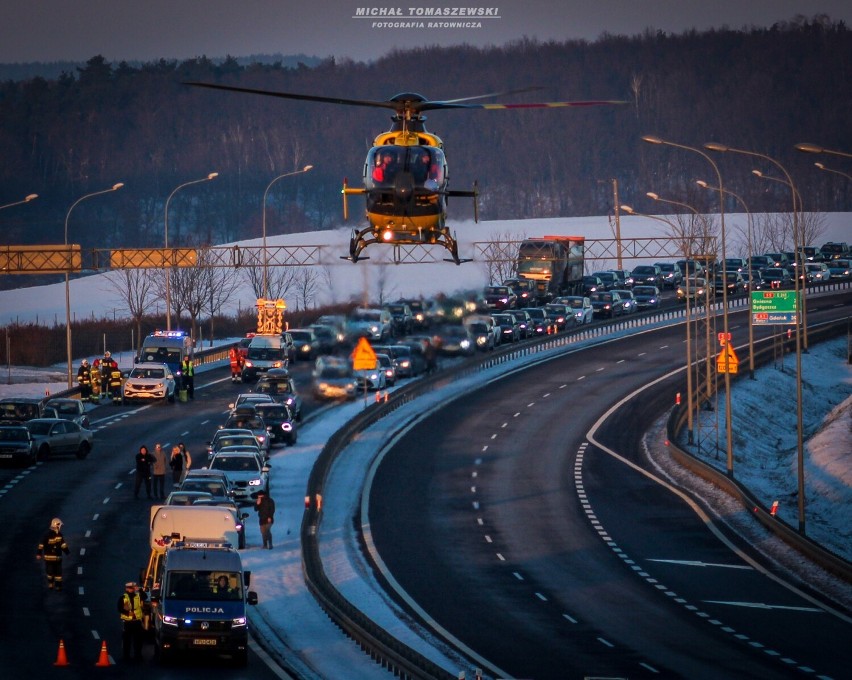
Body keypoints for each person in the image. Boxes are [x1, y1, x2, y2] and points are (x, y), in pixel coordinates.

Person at [117, 581, 147, 662]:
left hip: (137, 622)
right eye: (131, 588)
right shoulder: (123, 597)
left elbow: (145, 596)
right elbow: (120, 608)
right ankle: (126, 657)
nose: (133, 590)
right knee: (127, 640)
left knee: (138, 640)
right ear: (127, 589)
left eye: (133, 588)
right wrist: (128, 613)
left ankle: (138, 656)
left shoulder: (137, 596)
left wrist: (140, 590)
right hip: (127, 622)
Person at [36, 517, 70, 590]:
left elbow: (41, 545)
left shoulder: (47, 535)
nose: (60, 527)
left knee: (50, 572)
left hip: (49, 559)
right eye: (60, 525)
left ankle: (51, 584)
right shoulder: (58, 535)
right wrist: (67, 552)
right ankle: (58, 586)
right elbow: (63, 545)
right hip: (57, 558)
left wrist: (39, 553)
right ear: (57, 525)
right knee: (58, 573)